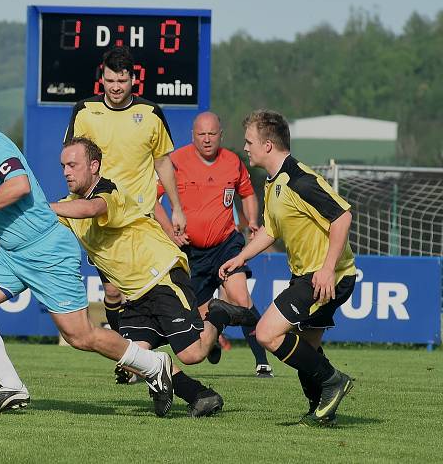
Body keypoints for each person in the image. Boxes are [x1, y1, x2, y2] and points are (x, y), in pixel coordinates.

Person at [0, 88, 174, 416]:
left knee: (80, 336)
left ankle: (153, 364)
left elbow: (19, 185)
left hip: (45, 251)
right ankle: (11, 387)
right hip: (13, 252)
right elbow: (25, 200)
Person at [52, 136, 259, 416]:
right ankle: (201, 396)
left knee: (192, 354)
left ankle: (218, 313)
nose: (66, 171)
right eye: (63, 165)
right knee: (132, 359)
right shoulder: (69, 205)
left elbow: (91, 209)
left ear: (94, 166)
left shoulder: (107, 192)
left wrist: (46, 208)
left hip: (161, 276)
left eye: (73, 165)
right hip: (136, 294)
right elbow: (39, 222)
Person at [219, 109, 356, 427]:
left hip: (327, 276)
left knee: (267, 333)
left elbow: (342, 216)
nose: (246, 147)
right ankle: (322, 407)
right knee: (306, 347)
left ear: (268, 145)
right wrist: (241, 258)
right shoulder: (274, 182)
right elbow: (270, 230)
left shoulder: (299, 180)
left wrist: (326, 268)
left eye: (249, 141)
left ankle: (333, 381)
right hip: (310, 274)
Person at [64, 46, 187, 339]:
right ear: (101, 80)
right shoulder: (85, 111)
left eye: (122, 81)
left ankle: (133, 357)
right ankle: (127, 352)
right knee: (112, 291)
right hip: (102, 215)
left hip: (140, 218)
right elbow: (73, 157)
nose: (116, 87)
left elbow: (162, 162)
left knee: (140, 288)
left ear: (133, 80)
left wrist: (177, 207)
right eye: (110, 81)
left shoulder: (150, 113)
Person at [161, 112, 273, 377]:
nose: (207, 139)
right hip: (192, 252)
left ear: (221, 135)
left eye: (212, 134)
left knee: (241, 297)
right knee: (198, 315)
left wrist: (253, 221)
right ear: (192, 136)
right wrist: (170, 232)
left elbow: (247, 194)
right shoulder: (176, 161)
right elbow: (152, 201)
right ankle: (212, 337)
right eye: (202, 134)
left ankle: (262, 360)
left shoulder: (232, 161)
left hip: (226, 245)